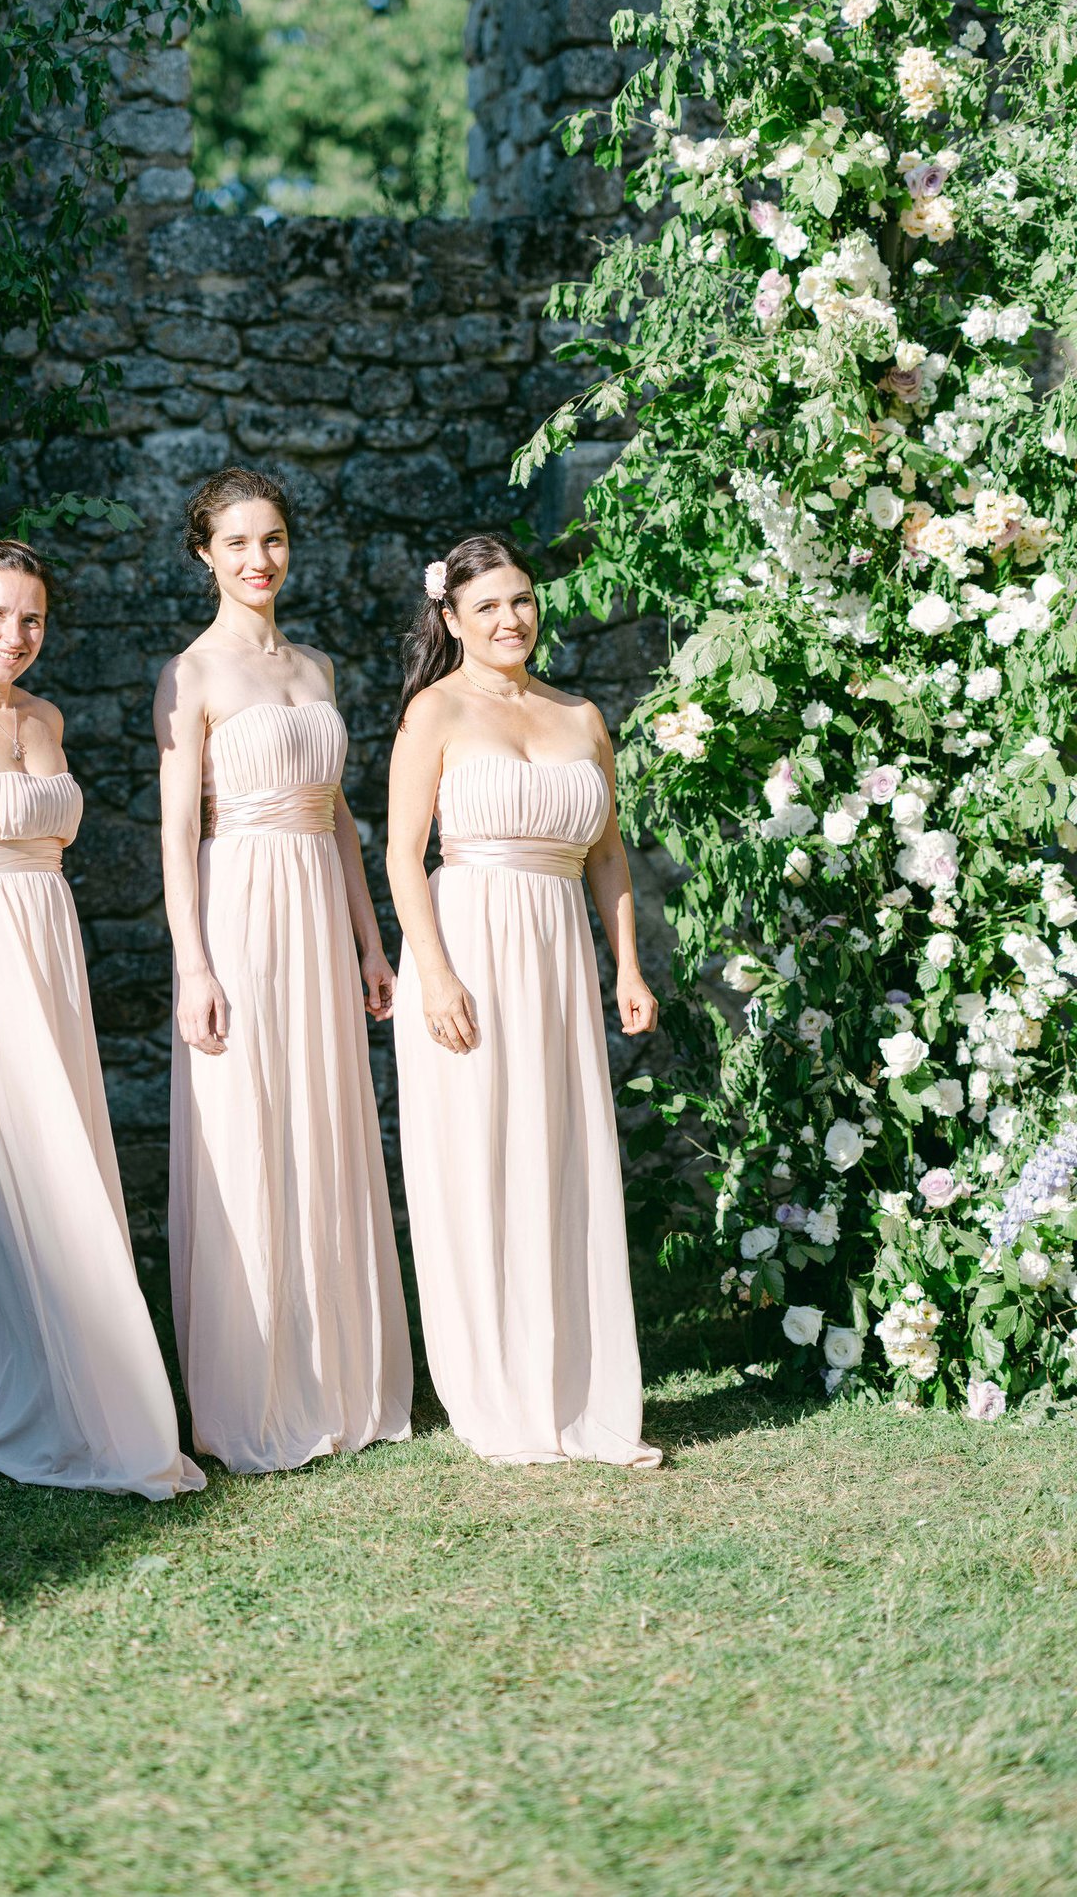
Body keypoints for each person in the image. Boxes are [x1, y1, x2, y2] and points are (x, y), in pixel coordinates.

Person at [0, 538, 204, 1500]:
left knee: (67, 1161)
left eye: (33, 619)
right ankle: (88, 1408)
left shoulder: (46, 718)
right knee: (17, 1174)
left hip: (47, 951)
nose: (15, 635)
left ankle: (8, 1390)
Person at [155, 466, 412, 1473]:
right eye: (237, 544)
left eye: (272, 541)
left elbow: (339, 814)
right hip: (242, 905)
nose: (258, 560)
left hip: (316, 901)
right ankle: (251, 1389)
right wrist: (193, 964)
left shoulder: (316, 670)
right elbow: (179, 829)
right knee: (249, 1125)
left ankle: (340, 1375)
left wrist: (370, 939)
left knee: (326, 1121)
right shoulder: (192, 675)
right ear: (204, 557)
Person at [386, 534, 662, 1470]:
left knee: (564, 1153)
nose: (511, 619)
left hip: (555, 954)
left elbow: (610, 855)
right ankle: (496, 1389)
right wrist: (434, 973)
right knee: (480, 1155)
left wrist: (626, 967)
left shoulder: (581, 716)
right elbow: (400, 855)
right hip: (468, 942)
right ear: (453, 619)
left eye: (523, 600)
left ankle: (580, 1391)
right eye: (489, 606)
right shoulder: (434, 712)